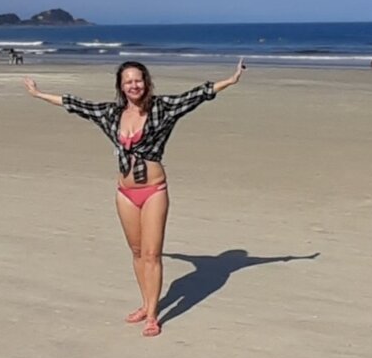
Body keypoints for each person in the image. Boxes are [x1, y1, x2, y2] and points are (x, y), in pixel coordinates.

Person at [23, 58, 245, 337]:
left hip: (154, 191)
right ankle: (145, 303)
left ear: (146, 82)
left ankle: (152, 315)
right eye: (127, 81)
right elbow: (76, 104)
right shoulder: (111, 114)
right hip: (125, 194)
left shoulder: (162, 108)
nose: (133, 85)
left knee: (152, 254)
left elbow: (197, 95)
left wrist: (230, 80)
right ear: (121, 86)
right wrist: (39, 94)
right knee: (138, 252)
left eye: (138, 80)